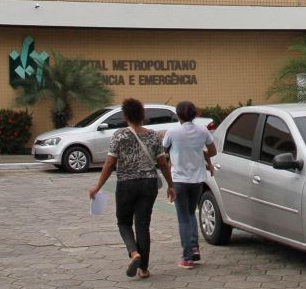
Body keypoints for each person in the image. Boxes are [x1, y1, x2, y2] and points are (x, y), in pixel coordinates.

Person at [88, 98, 175, 279]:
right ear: (143, 115)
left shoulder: (119, 135)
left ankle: (134, 253)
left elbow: (110, 163)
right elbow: (163, 164)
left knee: (123, 222)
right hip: (149, 183)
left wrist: (97, 187)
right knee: (143, 225)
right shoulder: (152, 135)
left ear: (125, 115)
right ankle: (144, 269)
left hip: (126, 184)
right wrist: (171, 185)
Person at [161, 101, 217, 269]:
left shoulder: (173, 131)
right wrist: (202, 154)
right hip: (198, 180)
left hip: (178, 181)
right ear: (195, 114)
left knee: (183, 219)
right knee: (192, 214)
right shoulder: (202, 130)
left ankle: (187, 258)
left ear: (178, 115)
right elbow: (213, 151)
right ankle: (194, 248)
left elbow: (163, 151)